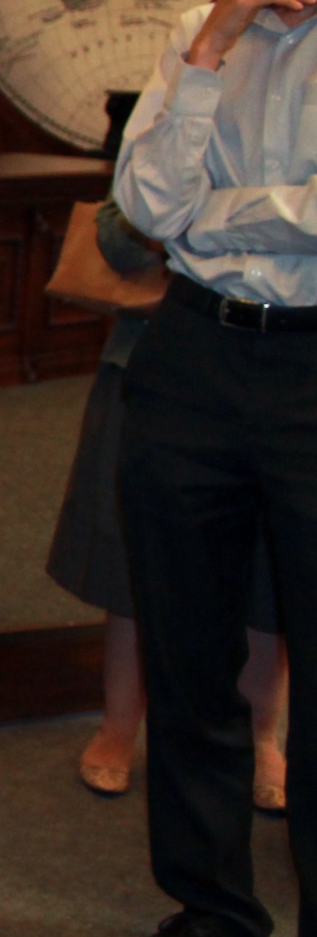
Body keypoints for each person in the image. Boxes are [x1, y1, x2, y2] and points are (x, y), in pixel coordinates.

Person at [101, 0, 317, 937]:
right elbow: (145, 211)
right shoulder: (199, 33)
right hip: (191, 364)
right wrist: (211, 48)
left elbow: (200, 214)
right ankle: (212, 910)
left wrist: (221, 216)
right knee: (188, 658)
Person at [49, 199, 287, 806]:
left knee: (268, 563)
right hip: (157, 359)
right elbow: (118, 237)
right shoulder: (176, 131)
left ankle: (263, 737)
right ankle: (118, 727)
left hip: (284, 366)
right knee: (134, 552)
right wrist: (207, 213)